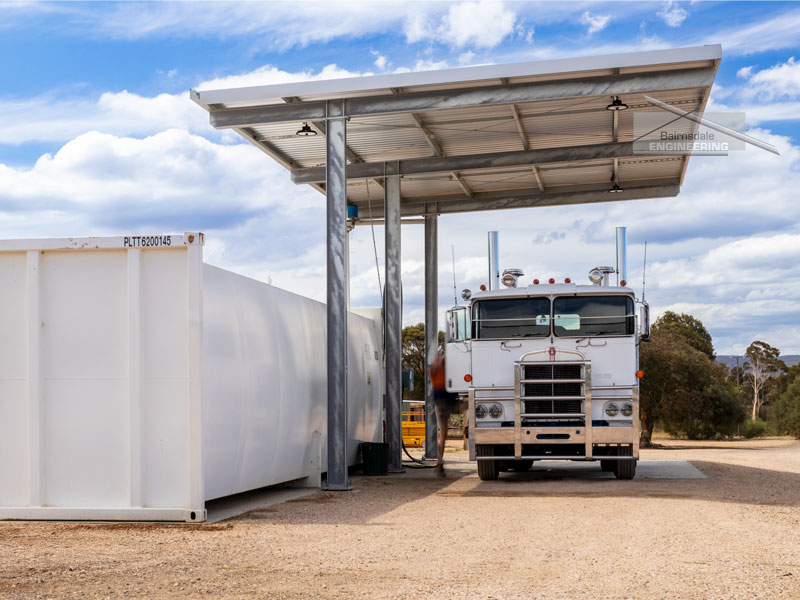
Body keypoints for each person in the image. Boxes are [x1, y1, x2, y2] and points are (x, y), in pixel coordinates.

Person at [429, 350, 466, 476]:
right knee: (472, 403)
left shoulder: (440, 369)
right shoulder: (437, 369)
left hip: (446, 402)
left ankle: (440, 461)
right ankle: (439, 461)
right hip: (445, 403)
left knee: (443, 434)